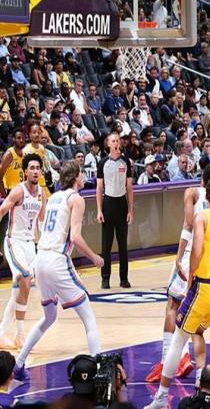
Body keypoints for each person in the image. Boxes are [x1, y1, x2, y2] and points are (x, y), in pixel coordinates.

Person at [145, 176, 210, 409]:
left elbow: (198, 249)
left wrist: (191, 275)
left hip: (204, 287)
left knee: (178, 339)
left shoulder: (202, 217)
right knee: (198, 331)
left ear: (206, 196)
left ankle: (161, 397)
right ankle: (200, 384)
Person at [14, 160, 104, 382]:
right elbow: (75, 237)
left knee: (49, 317)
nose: (84, 177)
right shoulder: (76, 199)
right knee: (88, 316)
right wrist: (94, 257)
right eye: (81, 174)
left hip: (40, 259)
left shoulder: (54, 196)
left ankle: (19, 363)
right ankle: (100, 370)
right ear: (75, 177)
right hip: (56, 259)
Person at [145, 165, 210, 384]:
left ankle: (168, 360)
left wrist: (178, 257)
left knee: (172, 306)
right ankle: (189, 360)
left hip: (190, 255)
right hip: (209, 262)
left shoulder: (192, 192)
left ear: (202, 179)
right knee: (192, 314)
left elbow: (188, 225)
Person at [0, 154, 46, 349]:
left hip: (30, 245)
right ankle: (20, 334)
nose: (35, 171)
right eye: (32, 168)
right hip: (14, 242)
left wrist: (44, 245)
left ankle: (2, 333)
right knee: (24, 278)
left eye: (38, 168)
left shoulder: (41, 193)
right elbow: (2, 211)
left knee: (18, 290)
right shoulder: (18, 191)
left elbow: (42, 222)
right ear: (25, 171)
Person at [96, 133, 134, 289]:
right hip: (108, 203)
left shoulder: (126, 162)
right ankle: (105, 278)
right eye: (113, 141)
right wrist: (99, 210)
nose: (116, 143)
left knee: (122, 244)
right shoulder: (103, 163)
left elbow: (129, 187)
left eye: (118, 140)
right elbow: (99, 188)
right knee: (106, 244)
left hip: (121, 203)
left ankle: (124, 278)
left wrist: (130, 210)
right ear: (108, 144)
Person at [0, 128, 25, 198]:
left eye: (23, 138)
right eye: (19, 138)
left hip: (22, 191)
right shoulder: (9, 154)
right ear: (13, 139)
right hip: (11, 191)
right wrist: (5, 197)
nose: (21, 140)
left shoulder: (24, 154)